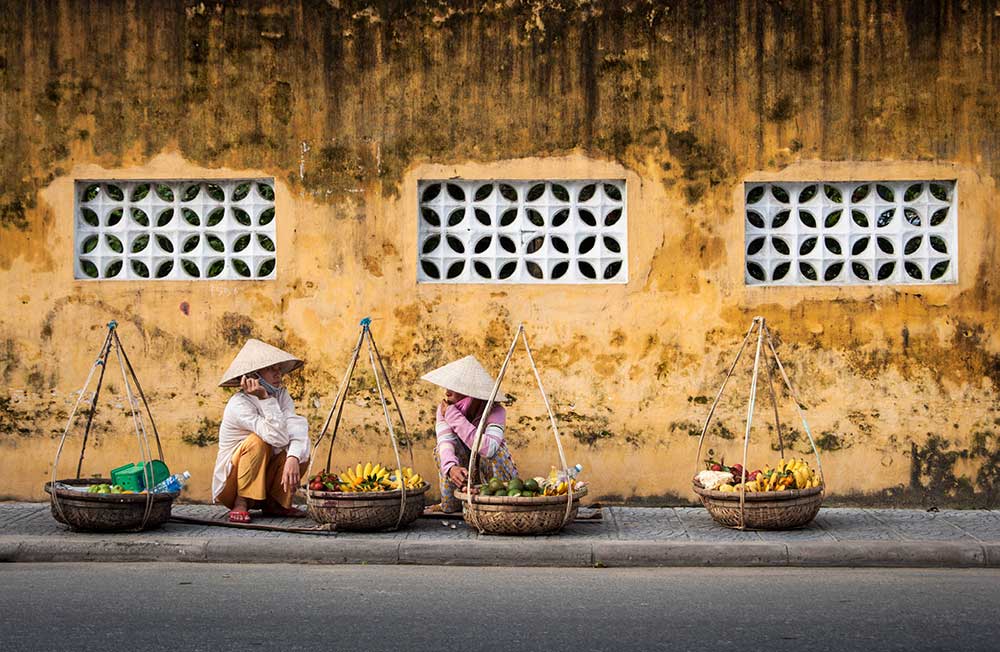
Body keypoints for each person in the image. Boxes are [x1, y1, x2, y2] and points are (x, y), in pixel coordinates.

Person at [212, 339, 311, 523]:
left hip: (264, 479)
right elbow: (279, 437)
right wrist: (265, 398)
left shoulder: (281, 395)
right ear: (253, 375)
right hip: (232, 485)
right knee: (258, 441)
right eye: (271, 368)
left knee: (301, 450)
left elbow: (296, 430)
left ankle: (275, 504)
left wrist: (293, 457)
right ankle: (241, 503)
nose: (278, 373)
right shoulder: (239, 404)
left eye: (278, 368)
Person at [421, 355, 518, 513]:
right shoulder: (444, 409)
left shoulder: (495, 410)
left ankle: (496, 502)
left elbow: (489, 449)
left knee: (496, 450)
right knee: (440, 451)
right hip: (465, 474)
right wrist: (451, 468)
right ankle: (453, 502)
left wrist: (453, 416)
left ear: (470, 392)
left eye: (454, 388)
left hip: (494, 483)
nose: (447, 393)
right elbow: (445, 442)